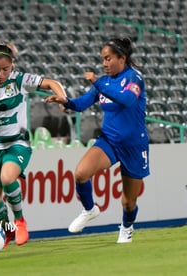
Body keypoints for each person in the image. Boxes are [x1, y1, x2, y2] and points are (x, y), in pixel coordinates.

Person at [0, 44, 67, 247]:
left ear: (11, 66)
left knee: (7, 178)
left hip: (17, 142)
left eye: (5, 69)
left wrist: (63, 98)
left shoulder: (20, 80)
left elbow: (52, 82)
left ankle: (20, 221)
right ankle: (7, 231)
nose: (0, 73)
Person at [45, 37, 150, 243]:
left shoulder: (134, 77)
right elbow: (82, 104)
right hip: (109, 141)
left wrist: (98, 82)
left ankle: (127, 228)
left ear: (122, 58)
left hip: (134, 146)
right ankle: (89, 209)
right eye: (103, 59)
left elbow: (127, 100)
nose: (104, 63)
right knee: (81, 173)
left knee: (128, 202)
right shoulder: (104, 82)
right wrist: (65, 101)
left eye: (108, 58)